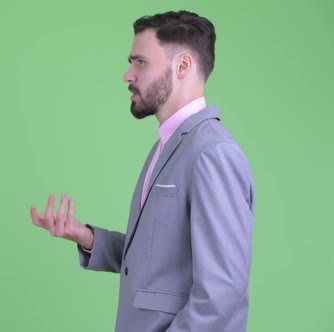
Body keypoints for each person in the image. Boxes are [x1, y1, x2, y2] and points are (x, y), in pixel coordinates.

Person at [30, 10, 255, 332]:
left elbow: (222, 294)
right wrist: (88, 237)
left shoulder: (212, 153)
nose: (127, 75)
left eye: (140, 62)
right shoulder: (167, 146)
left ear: (183, 66)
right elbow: (161, 260)